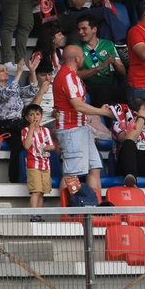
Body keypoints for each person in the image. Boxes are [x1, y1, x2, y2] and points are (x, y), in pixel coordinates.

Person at [53, 45, 115, 196]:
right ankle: (66, 214)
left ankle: (94, 210)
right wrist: (103, 112)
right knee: (71, 175)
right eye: (83, 56)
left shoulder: (72, 76)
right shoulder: (67, 76)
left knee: (95, 168)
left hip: (81, 128)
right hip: (71, 130)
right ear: (77, 58)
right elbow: (78, 104)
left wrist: (99, 109)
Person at [0, 62, 44, 184]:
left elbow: (32, 91)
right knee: (18, 144)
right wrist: (18, 74)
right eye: (2, 70)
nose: (6, 72)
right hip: (4, 125)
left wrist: (32, 71)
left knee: (37, 137)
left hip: (18, 123)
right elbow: (7, 94)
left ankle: (38, 173)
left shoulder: (14, 88)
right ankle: (15, 178)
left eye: (7, 69)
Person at [73, 14, 127, 109]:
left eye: (84, 29)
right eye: (79, 29)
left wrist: (114, 63)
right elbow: (74, 75)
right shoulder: (75, 47)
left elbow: (123, 72)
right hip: (88, 86)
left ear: (94, 29)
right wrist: (99, 68)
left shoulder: (108, 44)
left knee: (131, 93)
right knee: (103, 91)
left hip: (108, 85)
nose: (80, 32)